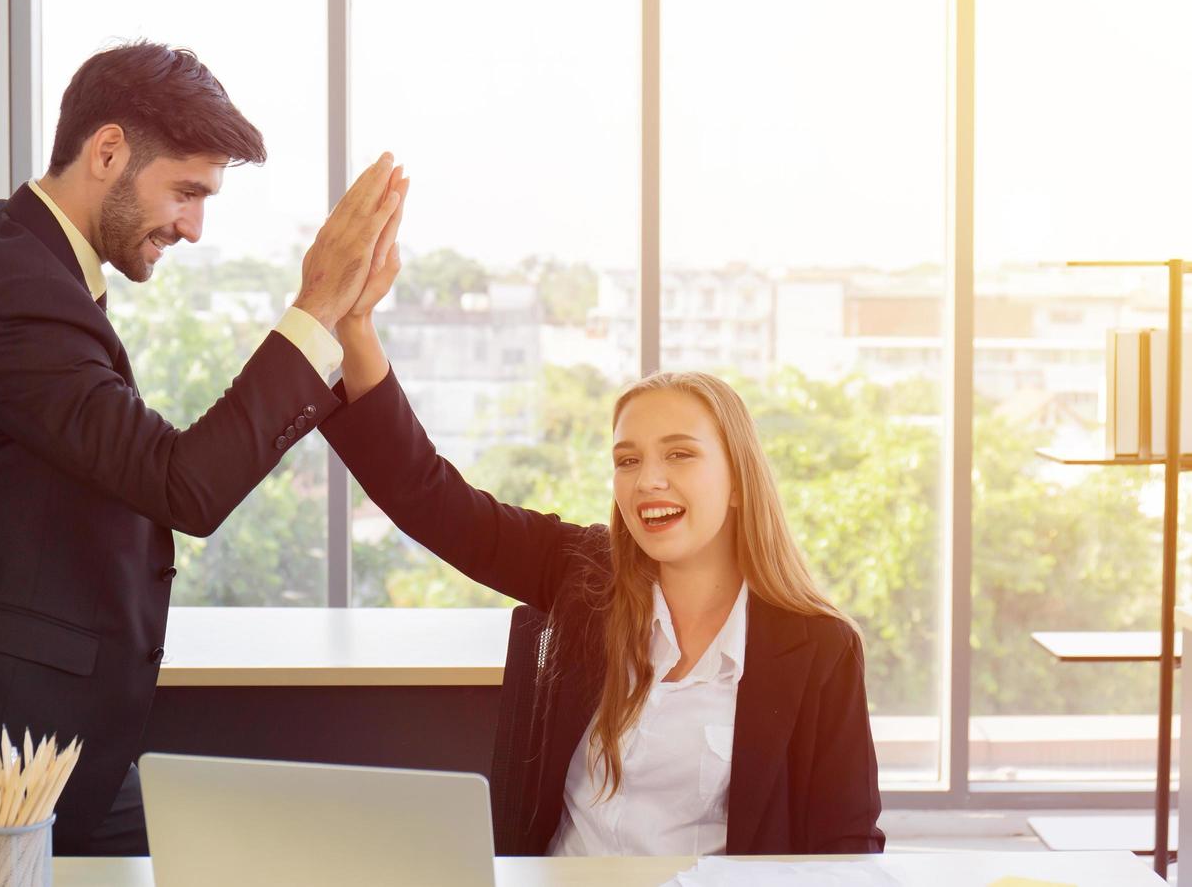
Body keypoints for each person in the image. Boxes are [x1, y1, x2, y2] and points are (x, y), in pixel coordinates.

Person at [0, 40, 410, 884]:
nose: (193, 227)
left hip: (43, 743)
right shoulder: (10, 291)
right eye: (186, 192)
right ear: (107, 152)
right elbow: (183, 482)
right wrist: (320, 303)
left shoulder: (3, 255)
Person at [319, 238, 885, 856]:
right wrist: (356, 328)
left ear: (739, 482)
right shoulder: (583, 574)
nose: (648, 481)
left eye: (679, 454)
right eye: (628, 460)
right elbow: (430, 500)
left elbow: (844, 846)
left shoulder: (819, 649)